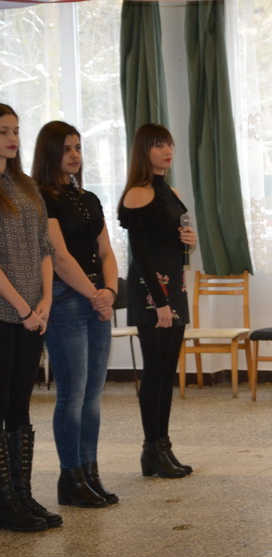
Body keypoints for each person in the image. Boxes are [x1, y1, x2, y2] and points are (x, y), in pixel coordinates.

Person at [32, 121, 119, 508]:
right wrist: (94, 294)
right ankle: (70, 478)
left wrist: (109, 291)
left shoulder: (90, 198)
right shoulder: (41, 197)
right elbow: (59, 257)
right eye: (66, 148)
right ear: (50, 152)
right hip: (67, 299)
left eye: (78, 148)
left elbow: (107, 252)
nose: (74, 155)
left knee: (93, 398)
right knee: (73, 394)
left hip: (97, 299)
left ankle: (90, 472)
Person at [118, 124, 196, 479]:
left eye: (169, 144)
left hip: (174, 286)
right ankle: (151, 448)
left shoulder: (171, 191)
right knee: (154, 370)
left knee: (167, 371)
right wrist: (160, 300)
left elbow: (170, 241)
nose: (167, 150)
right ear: (144, 151)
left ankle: (162, 446)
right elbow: (141, 253)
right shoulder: (138, 193)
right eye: (159, 145)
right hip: (152, 290)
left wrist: (189, 241)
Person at [0, 103, 60, 532]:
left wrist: (45, 302)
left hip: (33, 314)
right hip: (6, 313)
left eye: (16, 131)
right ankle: (5, 502)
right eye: (3, 131)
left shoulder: (26, 186)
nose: (12, 139)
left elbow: (44, 248)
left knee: (20, 404)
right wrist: (22, 308)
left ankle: (22, 495)